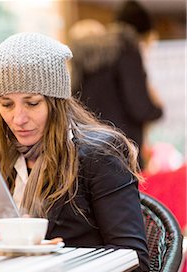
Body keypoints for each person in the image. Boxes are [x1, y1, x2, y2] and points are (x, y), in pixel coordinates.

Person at [0, 32, 149, 272]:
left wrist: (42, 253)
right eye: (6, 104)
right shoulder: (4, 157)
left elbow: (132, 261)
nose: (17, 118)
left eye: (32, 103)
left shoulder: (99, 155)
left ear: (56, 102)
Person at [69, 0, 164, 168]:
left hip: (87, 150)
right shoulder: (126, 48)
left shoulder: (87, 54)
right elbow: (139, 107)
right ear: (142, 34)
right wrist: (157, 110)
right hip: (122, 151)